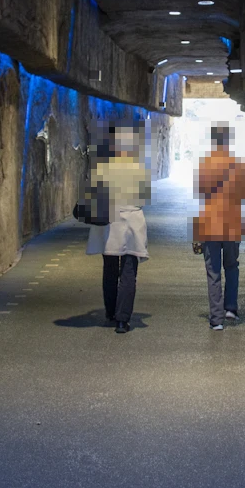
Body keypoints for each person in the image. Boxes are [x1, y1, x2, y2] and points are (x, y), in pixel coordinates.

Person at [85, 124, 151, 333]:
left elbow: (93, 194)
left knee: (110, 269)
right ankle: (123, 320)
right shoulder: (139, 167)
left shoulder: (103, 167)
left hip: (109, 224)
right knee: (129, 272)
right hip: (132, 224)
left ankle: (111, 312)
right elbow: (144, 197)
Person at [193, 125, 245, 330]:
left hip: (210, 225)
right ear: (228, 141)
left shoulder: (205, 165)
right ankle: (230, 308)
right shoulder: (238, 165)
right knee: (231, 266)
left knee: (213, 271)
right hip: (231, 224)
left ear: (213, 141)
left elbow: (200, 192)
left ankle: (216, 320)